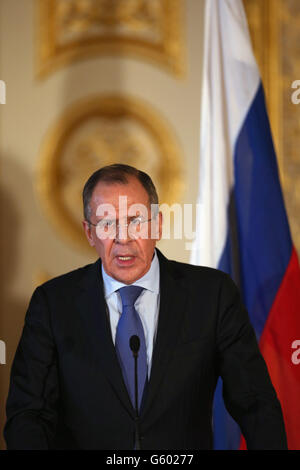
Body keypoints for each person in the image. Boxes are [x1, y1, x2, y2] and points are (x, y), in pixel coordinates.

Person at [4, 164, 287, 450]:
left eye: (135, 220)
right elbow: (28, 414)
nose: (123, 238)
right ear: (89, 233)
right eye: (107, 224)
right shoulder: (53, 304)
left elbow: (255, 403)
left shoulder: (212, 295)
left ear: (158, 225)